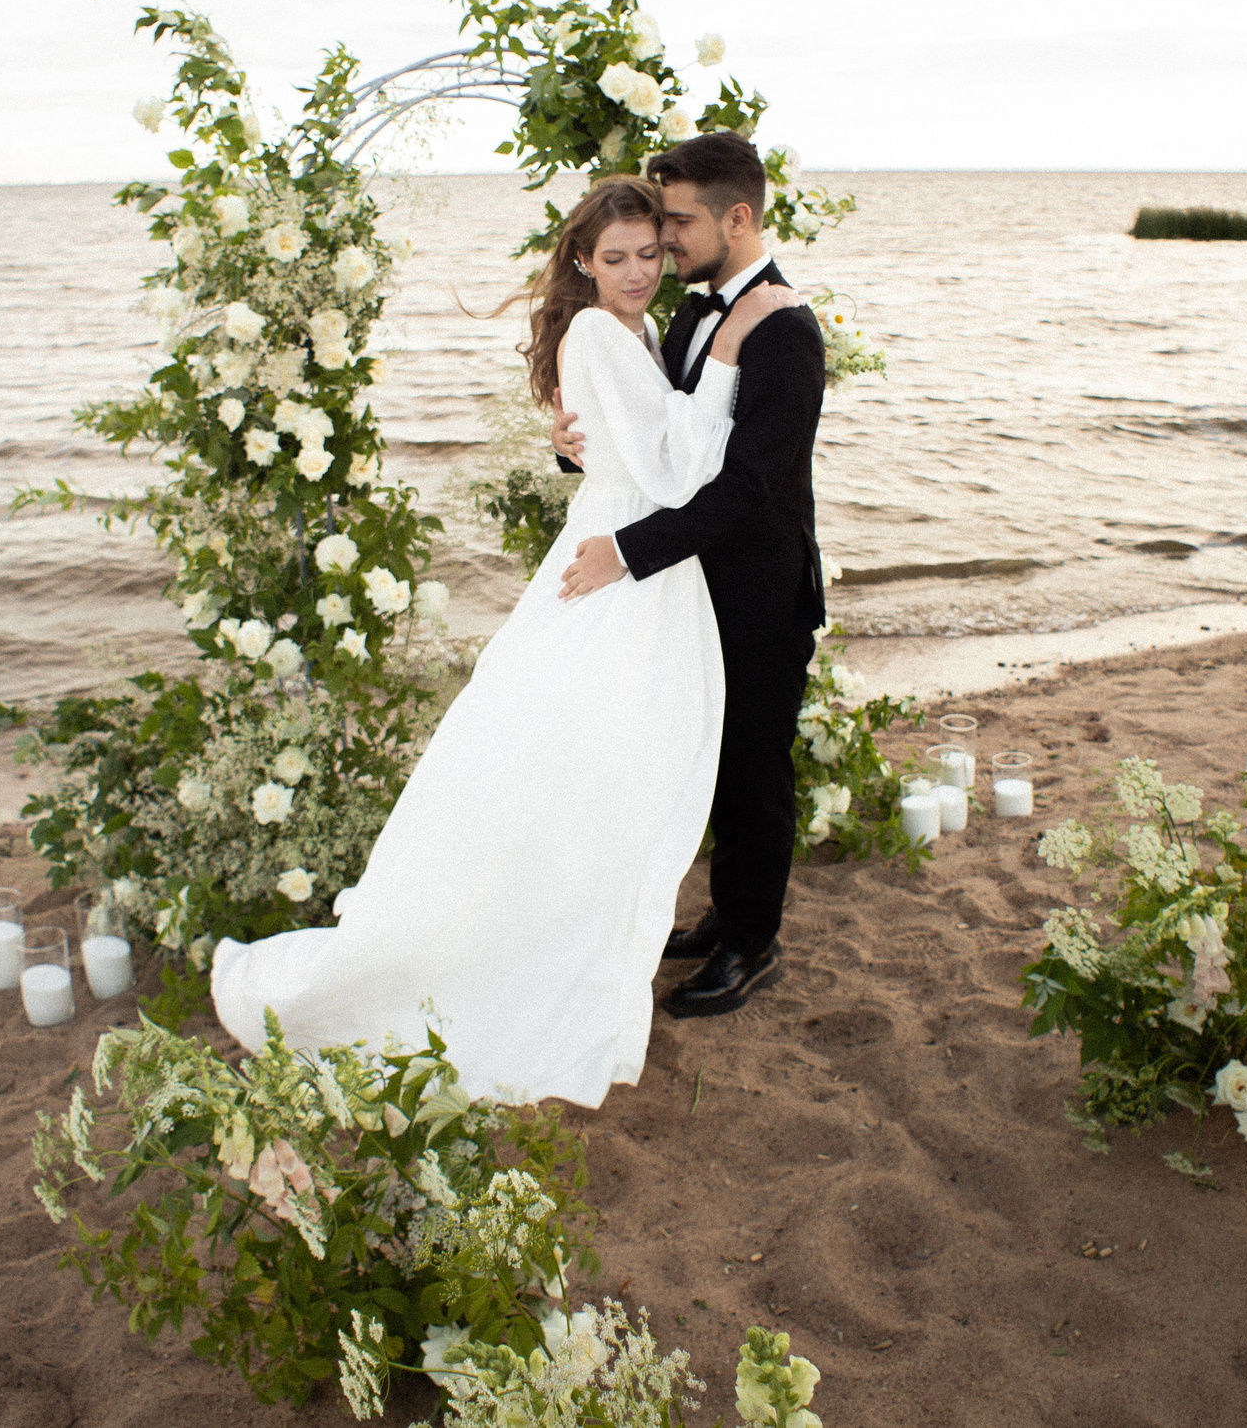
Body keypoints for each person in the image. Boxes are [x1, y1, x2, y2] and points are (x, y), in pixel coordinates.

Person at [208, 175, 801, 1107]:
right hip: (620, 567)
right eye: (619, 257)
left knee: (606, 761)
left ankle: (629, 926)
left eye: (652, 251)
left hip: (640, 561)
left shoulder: (643, 326)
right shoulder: (615, 330)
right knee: (583, 761)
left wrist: (583, 442)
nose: (643, 269)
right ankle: (539, 943)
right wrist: (723, 351)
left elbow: (636, 440)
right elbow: (684, 461)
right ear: (581, 260)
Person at [553, 132, 827, 1020]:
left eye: (677, 221)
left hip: (756, 591)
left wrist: (629, 552)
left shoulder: (785, 331)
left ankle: (755, 941)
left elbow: (751, 488)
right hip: (691, 587)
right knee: (707, 763)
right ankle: (724, 914)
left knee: (754, 769)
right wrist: (575, 449)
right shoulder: (684, 315)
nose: (664, 242)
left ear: (736, 217)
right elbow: (654, 443)